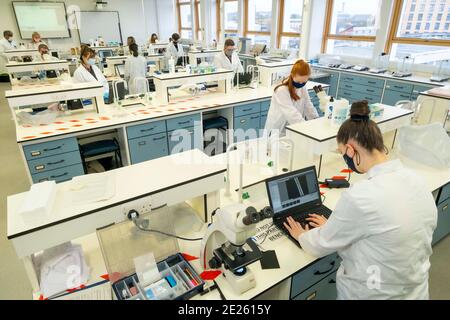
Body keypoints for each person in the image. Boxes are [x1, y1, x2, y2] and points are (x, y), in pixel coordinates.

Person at [283, 100, 437, 300]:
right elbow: (385, 229)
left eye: (341, 153)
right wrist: (334, 226)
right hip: (416, 292)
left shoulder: (361, 196)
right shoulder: (416, 180)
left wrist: (301, 235)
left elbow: (320, 244)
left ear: (350, 149)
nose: (344, 158)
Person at [264, 59, 318, 136]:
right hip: (278, 129)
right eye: (298, 82)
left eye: (303, 82)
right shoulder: (281, 90)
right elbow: (291, 113)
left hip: (293, 127)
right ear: (292, 75)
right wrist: (304, 127)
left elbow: (308, 106)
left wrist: (315, 121)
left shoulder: (303, 88)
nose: (301, 84)